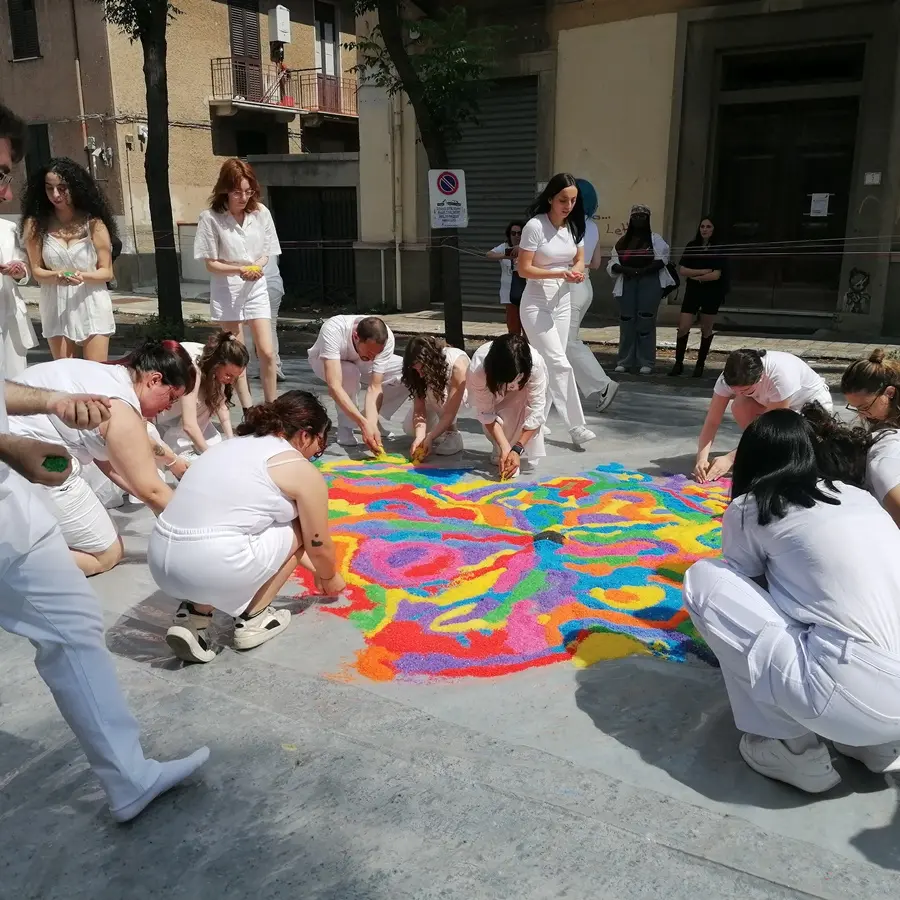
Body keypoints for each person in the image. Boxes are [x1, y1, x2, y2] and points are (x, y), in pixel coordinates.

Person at [0, 101, 207, 823]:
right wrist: (205, 541)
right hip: (15, 467)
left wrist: (38, 414)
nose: (8, 189)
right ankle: (127, 777)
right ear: (154, 382)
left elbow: (142, 461)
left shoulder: (115, 392)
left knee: (70, 625)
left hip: (19, 466)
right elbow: (144, 482)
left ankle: (126, 777)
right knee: (95, 567)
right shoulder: (118, 403)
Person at [684, 409, 900, 794]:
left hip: (849, 694)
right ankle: (876, 745)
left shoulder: (753, 505)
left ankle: (794, 750)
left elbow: (749, 586)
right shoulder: (856, 495)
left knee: (706, 578)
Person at [148, 390, 345, 664]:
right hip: (213, 565)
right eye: (319, 445)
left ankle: (193, 619)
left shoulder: (229, 445)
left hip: (160, 562)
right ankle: (254, 619)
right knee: (298, 522)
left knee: (230, 529)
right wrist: (329, 577)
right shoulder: (297, 467)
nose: (316, 453)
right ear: (305, 435)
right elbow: (316, 543)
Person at [7, 340, 195, 575]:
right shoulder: (120, 408)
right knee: (107, 553)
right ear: (155, 380)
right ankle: (11, 565)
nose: (168, 408)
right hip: (34, 461)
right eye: (171, 397)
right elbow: (152, 491)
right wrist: (199, 529)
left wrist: (160, 508)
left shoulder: (106, 376)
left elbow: (111, 464)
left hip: (13, 446)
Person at [193, 158, 281, 408]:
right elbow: (211, 263)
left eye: (248, 191)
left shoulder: (261, 213)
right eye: (237, 192)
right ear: (225, 190)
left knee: (266, 350)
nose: (243, 197)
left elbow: (266, 252)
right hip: (228, 289)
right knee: (237, 353)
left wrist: (257, 266)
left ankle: (271, 405)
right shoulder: (210, 218)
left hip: (255, 286)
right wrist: (239, 269)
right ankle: (247, 407)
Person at [517, 173, 596, 447]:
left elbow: (580, 259)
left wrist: (575, 272)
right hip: (537, 303)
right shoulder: (534, 227)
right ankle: (576, 426)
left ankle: (536, 418)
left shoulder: (574, 227)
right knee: (559, 363)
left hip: (563, 301)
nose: (568, 205)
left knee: (551, 364)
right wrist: (560, 273)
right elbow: (523, 268)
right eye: (563, 200)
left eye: (573, 200)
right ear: (550, 198)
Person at [20, 157, 118, 362]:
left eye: (62, 188)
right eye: (49, 189)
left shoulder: (94, 223)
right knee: (65, 375)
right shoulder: (35, 224)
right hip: (55, 302)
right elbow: (37, 271)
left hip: (91, 300)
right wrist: (57, 276)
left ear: (76, 188)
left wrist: (81, 276)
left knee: (96, 375)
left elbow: (106, 272)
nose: (55, 195)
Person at [694, 348, 832, 482]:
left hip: (812, 409)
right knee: (739, 405)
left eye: (746, 390)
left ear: (760, 377)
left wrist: (730, 459)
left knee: (789, 448)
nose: (739, 393)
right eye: (734, 390)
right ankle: (764, 450)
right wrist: (701, 458)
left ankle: (767, 450)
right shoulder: (729, 377)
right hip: (772, 402)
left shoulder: (780, 377)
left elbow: (771, 427)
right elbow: (712, 420)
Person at [307, 314, 406, 452]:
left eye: (377, 353)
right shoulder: (334, 329)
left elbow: (375, 387)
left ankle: (369, 418)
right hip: (324, 362)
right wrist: (362, 424)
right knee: (350, 372)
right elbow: (334, 386)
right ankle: (346, 426)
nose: (374, 357)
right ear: (355, 336)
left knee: (406, 371)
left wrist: (370, 425)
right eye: (370, 351)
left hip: (361, 363)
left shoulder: (386, 338)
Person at [152, 331, 248, 462]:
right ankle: (182, 448)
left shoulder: (217, 362)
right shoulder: (193, 368)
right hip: (162, 400)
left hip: (184, 392)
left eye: (235, 377)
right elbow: (189, 424)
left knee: (211, 397)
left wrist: (230, 439)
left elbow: (221, 403)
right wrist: (209, 457)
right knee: (201, 401)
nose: (231, 381)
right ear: (217, 365)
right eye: (229, 375)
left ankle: (200, 444)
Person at [566, 178, 618, 413]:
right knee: (564, 342)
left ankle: (602, 384)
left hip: (570, 286)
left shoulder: (568, 225)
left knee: (567, 343)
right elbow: (596, 263)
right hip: (585, 285)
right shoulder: (594, 226)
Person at [466, 334, 548, 480]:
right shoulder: (479, 369)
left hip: (521, 396)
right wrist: (505, 447)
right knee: (496, 422)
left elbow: (536, 411)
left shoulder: (535, 364)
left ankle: (510, 452)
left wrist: (517, 448)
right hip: (491, 386)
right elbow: (486, 412)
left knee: (515, 410)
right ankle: (502, 449)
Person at [607, 205, 675, 375]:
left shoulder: (655, 239)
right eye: (635, 216)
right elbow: (612, 263)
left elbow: (663, 259)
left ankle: (646, 361)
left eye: (642, 216)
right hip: (628, 281)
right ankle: (625, 360)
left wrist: (642, 271)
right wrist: (627, 270)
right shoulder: (623, 241)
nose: (639, 220)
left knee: (646, 320)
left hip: (649, 281)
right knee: (627, 321)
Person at [841, 349, 900, 526]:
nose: (861, 415)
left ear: (889, 393)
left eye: (865, 406)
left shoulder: (886, 450)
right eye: (855, 408)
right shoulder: (883, 423)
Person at [669, 216, 728, 378]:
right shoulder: (692, 245)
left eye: (708, 226)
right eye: (702, 226)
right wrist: (703, 272)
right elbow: (683, 270)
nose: (705, 229)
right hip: (693, 291)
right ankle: (678, 363)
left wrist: (696, 274)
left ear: (714, 229)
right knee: (683, 327)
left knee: (706, 329)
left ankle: (700, 364)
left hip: (712, 292)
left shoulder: (719, 247)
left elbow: (716, 275)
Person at [401, 335, 468, 461]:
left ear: (431, 361)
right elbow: (419, 409)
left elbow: (450, 411)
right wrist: (420, 437)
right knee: (410, 428)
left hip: (459, 397)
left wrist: (430, 437)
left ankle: (452, 433)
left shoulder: (457, 365)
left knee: (436, 392)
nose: (420, 375)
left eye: (423, 369)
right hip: (436, 398)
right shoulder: (417, 373)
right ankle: (438, 431)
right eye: (416, 370)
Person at [0, 214, 36, 376]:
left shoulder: (8, 227)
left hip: (9, 315)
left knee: (15, 381)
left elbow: (22, 263)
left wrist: (19, 271)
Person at [244, 253, 286, 383]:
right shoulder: (268, 237)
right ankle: (275, 367)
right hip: (274, 285)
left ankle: (250, 368)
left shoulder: (245, 238)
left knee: (247, 327)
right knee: (270, 328)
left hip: (254, 285)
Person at [486, 221, 526, 335]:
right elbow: (488, 254)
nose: (516, 236)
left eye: (520, 233)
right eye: (513, 233)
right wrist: (505, 256)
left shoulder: (528, 247)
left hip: (525, 291)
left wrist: (521, 249)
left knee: (528, 326)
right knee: (513, 326)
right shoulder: (504, 247)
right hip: (508, 292)